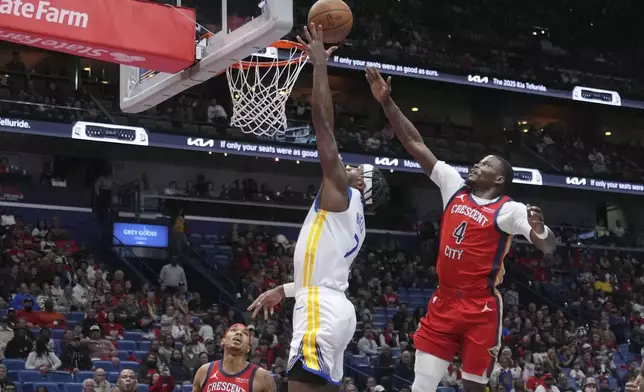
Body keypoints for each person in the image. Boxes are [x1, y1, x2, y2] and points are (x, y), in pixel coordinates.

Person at [364, 65, 557, 392]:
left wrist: (539, 229)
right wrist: (387, 103)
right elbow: (415, 143)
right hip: (443, 300)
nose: (475, 165)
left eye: (484, 165)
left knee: (472, 387)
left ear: (498, 179)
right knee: (421, 385)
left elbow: (547, 245)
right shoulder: (453, 186)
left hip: (480, 307)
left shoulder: (508, 209)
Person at [246, 23, 389, 390]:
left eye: (357, 168)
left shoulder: (341, 192)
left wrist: (320, 66)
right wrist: (286, 290)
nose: (349, 166)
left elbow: (323, 127)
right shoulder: (352, 216)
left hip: (321, 311)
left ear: (360, 182)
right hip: (332, 306)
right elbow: (323, 275)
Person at [191, 323, 275, 392]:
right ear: (223, 341)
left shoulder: (262, 377)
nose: (238, 333)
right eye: (233, 330)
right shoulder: (204, 371)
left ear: (248, 348)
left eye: (245, 333)